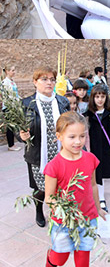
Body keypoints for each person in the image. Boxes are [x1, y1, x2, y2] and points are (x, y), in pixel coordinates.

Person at [43, 111, 105, 267]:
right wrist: (63, 208)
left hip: (87, 217)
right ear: (59, 137)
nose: (78, 141)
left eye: (82, 136)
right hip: (63, 220)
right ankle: (51, 258)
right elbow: (49, 197)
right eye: (72, 137)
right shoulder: (54, 166)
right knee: (60, 257)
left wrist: (98, 207)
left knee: (83, 257)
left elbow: (92, 185)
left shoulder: (90, 159)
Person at [19, 69, 70, 228]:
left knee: (61, 185)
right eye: (44, 79)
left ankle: (60, 212)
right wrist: (20, 135)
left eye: (52, 79)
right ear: (35, 82)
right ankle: (39, 210)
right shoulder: (27, 104)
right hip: (37, 153)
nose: (49, 83)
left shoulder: (62, 102)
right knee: (39, 187)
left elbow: (69, 124)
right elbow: (18, 127)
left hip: (59, 152)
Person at [85, 83, 110, 211]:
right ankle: (97, 197)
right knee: (94, 174)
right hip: (93, 148)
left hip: (105, 148)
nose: (100, 99)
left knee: (102, 173)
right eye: (97, 96)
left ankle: (101, 197)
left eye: (102, 96)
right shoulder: (88, 114)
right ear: (93, 98)